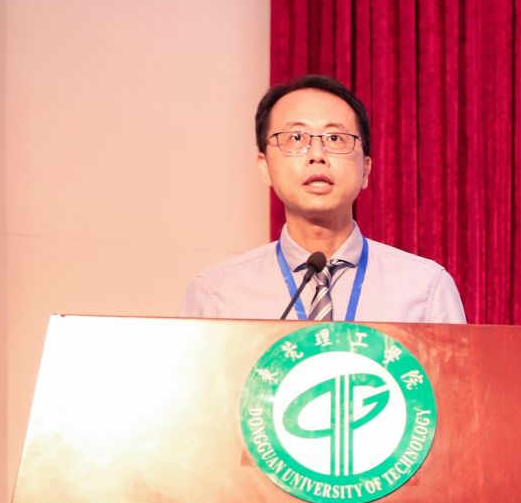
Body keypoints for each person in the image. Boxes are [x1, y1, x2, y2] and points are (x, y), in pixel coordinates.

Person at [178, 74, 466, 322]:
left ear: (365, 170)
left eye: (334, 139)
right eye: (296, 138)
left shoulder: (426, 290)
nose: (317, 155)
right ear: (265, 168)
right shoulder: (216, 294)